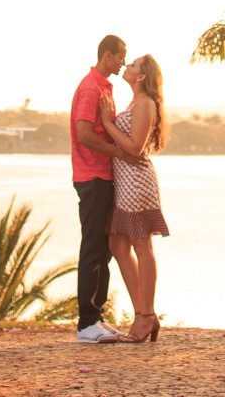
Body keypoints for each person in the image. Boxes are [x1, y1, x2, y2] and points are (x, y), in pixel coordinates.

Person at [97, 53, 169, 343]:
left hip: (137, 182)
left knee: (141, 244)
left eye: (133, 65)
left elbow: (135, 147)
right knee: (117, 243)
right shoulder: (134, 102)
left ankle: (145, 316)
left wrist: (106, 122)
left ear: (141, 77)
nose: (127, 66)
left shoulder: (145, 104)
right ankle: (144, 313)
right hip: (124, 181)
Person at [69, 33, 132, 344]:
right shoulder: (91, 88)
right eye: (121, 56)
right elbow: (83, 134)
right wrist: (118, 153)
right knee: (92, 249)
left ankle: (96, 317)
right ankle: (85, 325)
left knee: (103, 251)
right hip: (91, 177)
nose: (123, 62)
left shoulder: (104, 86)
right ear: (107, 56)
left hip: (103, 178)